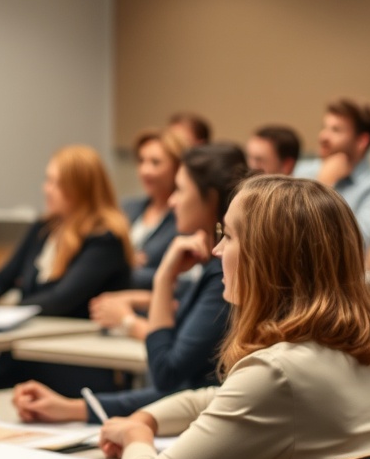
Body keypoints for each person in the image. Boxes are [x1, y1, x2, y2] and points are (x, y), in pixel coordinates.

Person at [98, 176, 370, 459]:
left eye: (229, 236)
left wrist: (135, 438)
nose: (217, 250)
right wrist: (147, 418)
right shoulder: (363, 349)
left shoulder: (276, 376)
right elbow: (219, 400)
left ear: (268, 258)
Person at [16, 144, 246, 424]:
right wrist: (74, 408)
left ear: (210, 199)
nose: (172, 202)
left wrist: (162, 280)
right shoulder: (210, 271)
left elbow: (168, 373)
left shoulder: (221, 277)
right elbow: (183, 390)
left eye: (181, 190)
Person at [0, 145, 133, 394]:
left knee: (2, 377)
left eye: (55, 183)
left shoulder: (105, 238)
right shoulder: (45, 227)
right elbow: (6, 275)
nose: (46, 189)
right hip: (35, 344)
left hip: (77, 356)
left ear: (79, 189)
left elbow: (61, 299)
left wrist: (10, 311)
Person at [294, 98, 370, 247]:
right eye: (324, 128)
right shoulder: (302, 170)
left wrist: (322, 186)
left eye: (335, 130)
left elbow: (358, 245)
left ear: (361, 141)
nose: (323, 137)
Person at [122, 129, 184, 288]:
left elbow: (178, 280)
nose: (145, 171)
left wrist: (120, 264)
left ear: (177, 167)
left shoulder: (183, 219)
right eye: (141, 161)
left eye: (155, 162)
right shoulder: (127, 207)